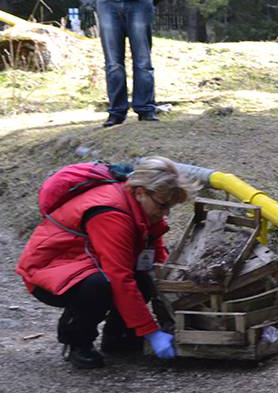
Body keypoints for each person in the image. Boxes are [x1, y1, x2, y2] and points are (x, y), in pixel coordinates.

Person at [16, 157, 200, 369]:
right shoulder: (111, 213)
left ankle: (119, 337)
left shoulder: (142, 208)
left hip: (86, 261)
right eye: (163, 205)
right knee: (101, 285)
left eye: (170, 207)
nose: (166, 212)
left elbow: (155, 254)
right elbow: (119, 277)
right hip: (50, 270)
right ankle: (76, 340)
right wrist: (151, 331)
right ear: (140, 192)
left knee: (143, 275)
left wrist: (168, 281)